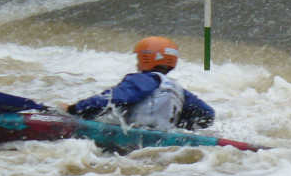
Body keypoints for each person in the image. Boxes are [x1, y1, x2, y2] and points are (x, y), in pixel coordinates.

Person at [66, 37, 214, 131]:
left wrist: (74, 109)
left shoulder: (143, 80)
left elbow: (114, 98)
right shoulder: (178, 90)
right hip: (162, 136)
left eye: (138, 59)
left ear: (146, 59)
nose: (137, 64)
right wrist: (179, 127)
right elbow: (207, 114)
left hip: (137, 136)